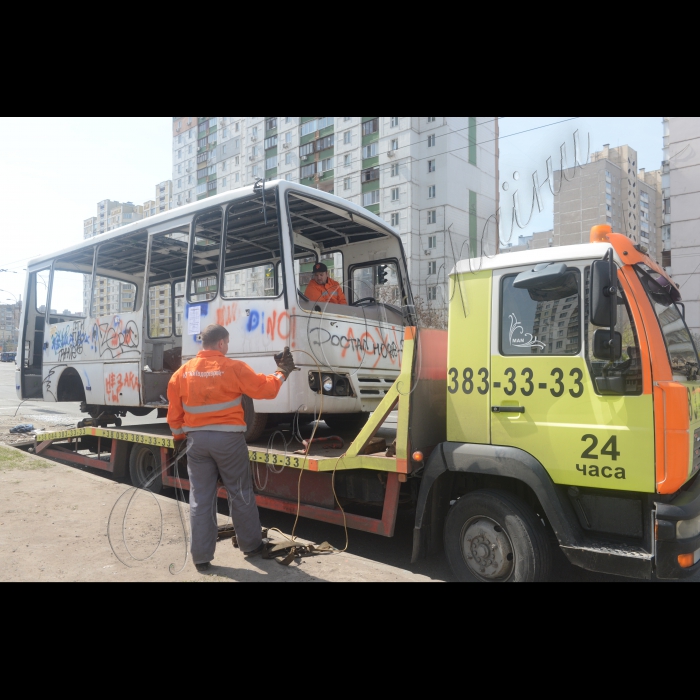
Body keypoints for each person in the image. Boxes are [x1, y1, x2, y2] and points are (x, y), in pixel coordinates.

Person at [167, 324, 297, 572]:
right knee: (240, 493)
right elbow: (266, 389)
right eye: (227, 342)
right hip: (229, 441)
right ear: (221, 344)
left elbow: (175, 413)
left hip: (195, 442)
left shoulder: (181, 374)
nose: (227, 346)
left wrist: (178, 439)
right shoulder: (233, 368)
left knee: (201, 498)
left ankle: (201, 557)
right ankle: (251, 546)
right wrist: (282, 371)